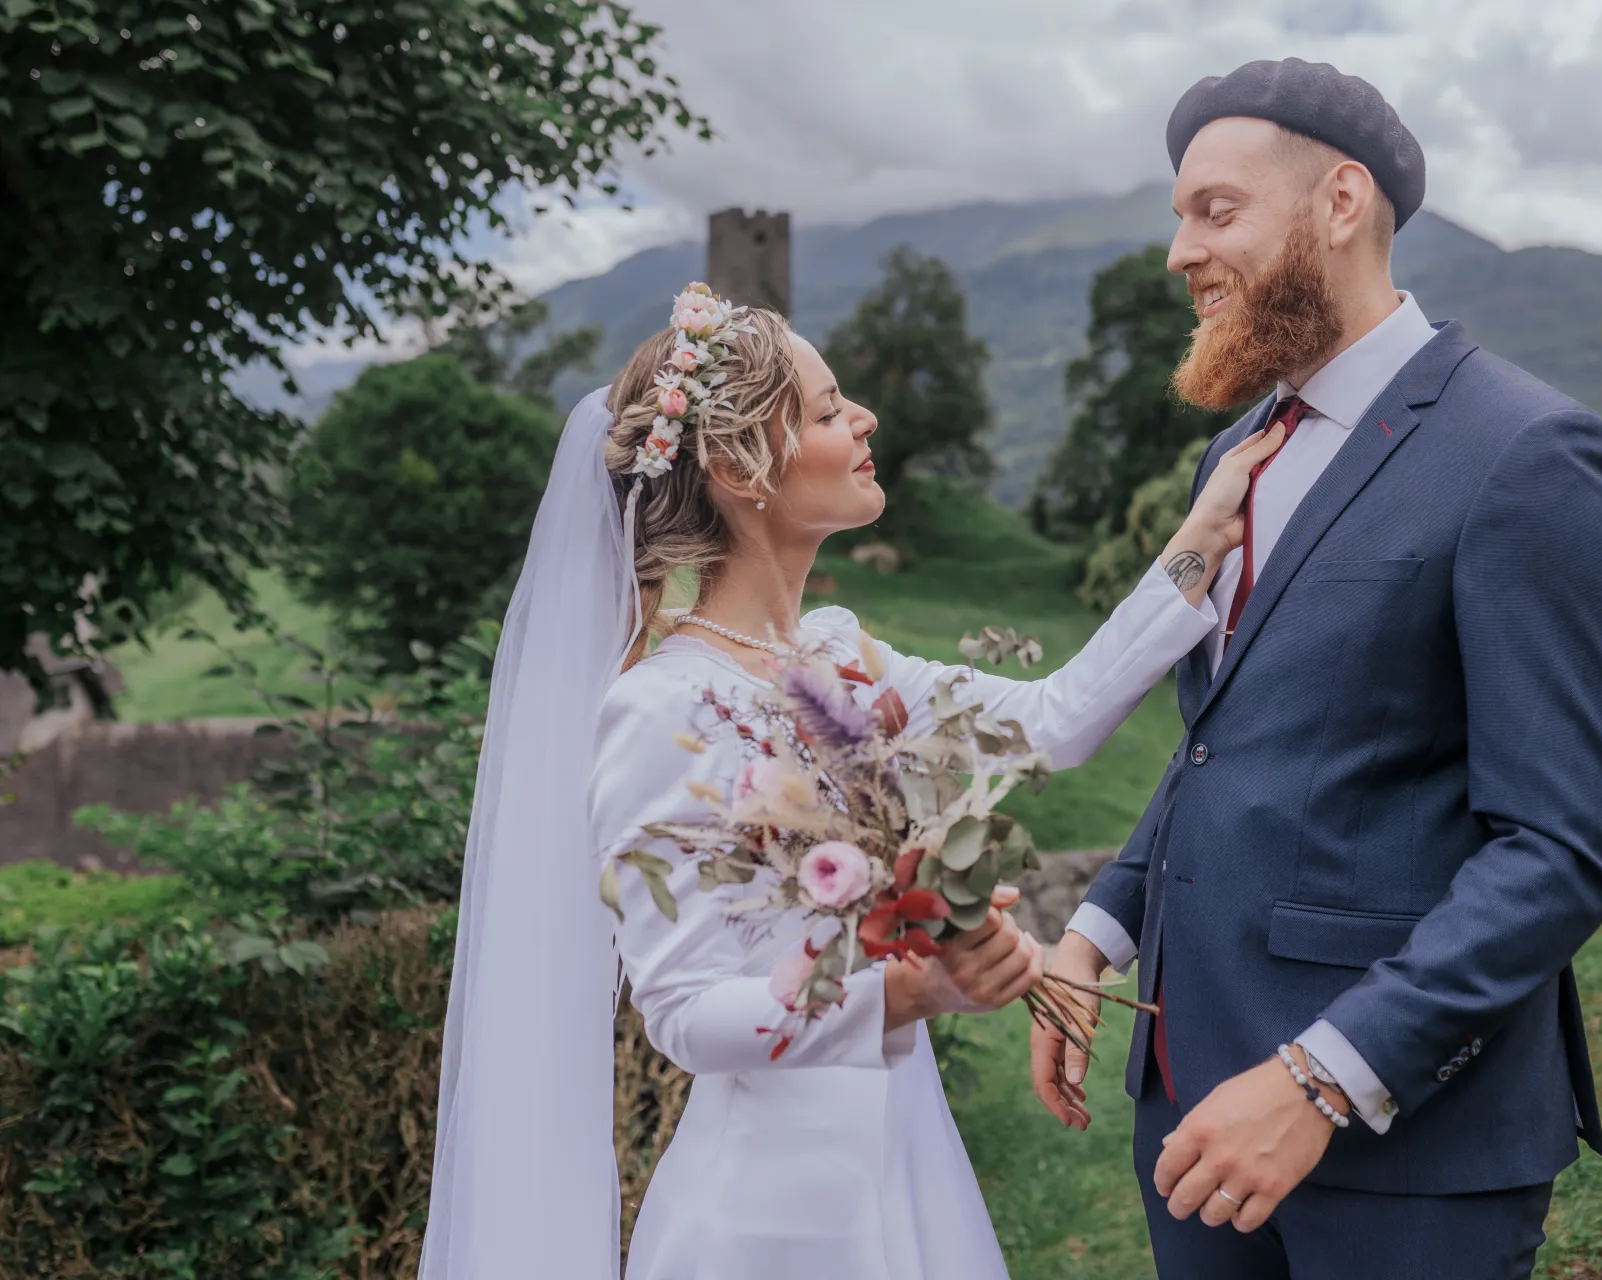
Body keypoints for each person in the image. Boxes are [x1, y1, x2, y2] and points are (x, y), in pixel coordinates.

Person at [418, 283, 1286, 1280]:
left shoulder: (838, 656)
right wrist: (908, 991)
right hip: (772, 1213)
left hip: (910, 1158)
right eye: (829, 409)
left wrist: (1197, 547)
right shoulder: (659, 709)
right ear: (739, 466)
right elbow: (685, 1012)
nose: (865, 417)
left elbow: (1047, 722)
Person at [1031, 59, 1602, 1279]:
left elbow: (1561, 848)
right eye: (1178, 216)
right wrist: (1100, 926)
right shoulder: (1241, 449)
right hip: (1192, 1105)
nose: (1178, 253)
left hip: (1404, 1140)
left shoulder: (1529, 455)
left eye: (1215, 210)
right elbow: (1226, 737)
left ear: (1340, 202)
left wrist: (1322, 1078)